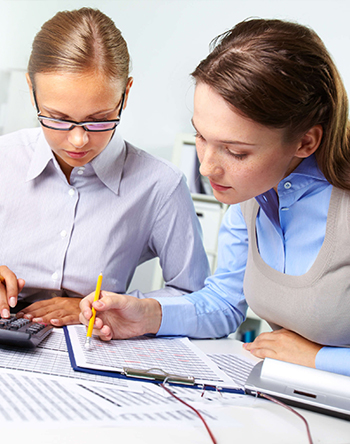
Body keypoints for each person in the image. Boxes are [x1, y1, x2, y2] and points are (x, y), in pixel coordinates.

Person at [79, 18, 350, 377]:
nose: (207, 168)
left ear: (305, 142)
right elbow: (224, 302)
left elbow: (299, 352)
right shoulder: (250, 196)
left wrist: (317, 358)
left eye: (235, 152)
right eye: (201, 136)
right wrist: (148, 316)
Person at [0, 7, 210, 327]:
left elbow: (194, 295)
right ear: (31, 91)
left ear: (125, 94)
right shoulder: (5, 158)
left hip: (94, 345)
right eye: (58, 118)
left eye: (98, 120)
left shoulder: (160, 185)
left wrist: (110, 307)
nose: (78, 140)